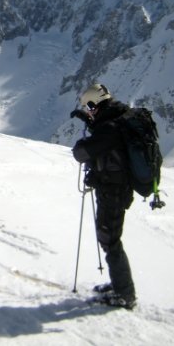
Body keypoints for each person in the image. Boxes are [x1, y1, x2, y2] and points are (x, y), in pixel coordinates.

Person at [71, 83, 137, 309]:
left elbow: (82, 152)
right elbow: (112, 159)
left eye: (89, 108)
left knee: (109, 238)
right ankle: (119, 284)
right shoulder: (116, 120)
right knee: (109, 237)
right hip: (114, 189)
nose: (88, 112)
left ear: (95, 104)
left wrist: (84, 142)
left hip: (114, 193)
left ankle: (125, 294)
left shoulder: (110, 128)